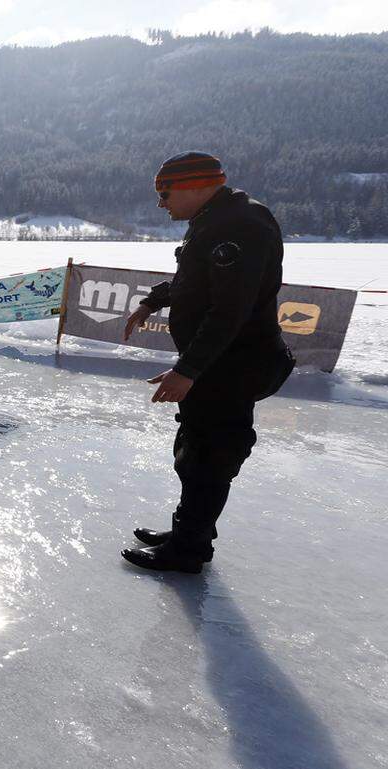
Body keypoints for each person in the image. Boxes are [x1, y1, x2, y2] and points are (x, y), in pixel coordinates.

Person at [121, 152, 295, 573]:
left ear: (194, 185)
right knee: (196, 446)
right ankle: (189, 532)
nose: (161, 203)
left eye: (164, 193)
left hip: (235, 364)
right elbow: (196, 280)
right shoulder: (216, 219)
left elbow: (229, 309)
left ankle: (189, 549)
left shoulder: (240, 226)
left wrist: (188, 370)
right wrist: (154, 300)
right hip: (219, 361)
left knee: (211, 453)